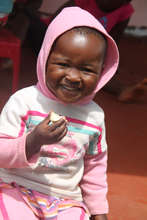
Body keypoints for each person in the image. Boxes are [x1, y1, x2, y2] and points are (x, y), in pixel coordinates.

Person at [0, 7, 119, 220]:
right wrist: (33, 141)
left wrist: (99, 211)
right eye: (63, 64)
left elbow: (95, 168)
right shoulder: (24, 102)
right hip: (15, 188)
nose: (73, 77)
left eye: (87, 69)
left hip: (66, 200)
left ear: (102, 72)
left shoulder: (95, 117)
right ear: (45, 58)